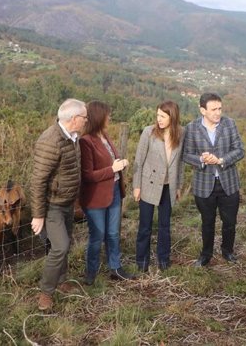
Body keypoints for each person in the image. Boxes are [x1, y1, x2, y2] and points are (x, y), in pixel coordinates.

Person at [30, 98, 87, 311]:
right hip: (52, 205)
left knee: (65, 243)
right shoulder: (51, 140)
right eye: (84, 117)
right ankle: (46, 292)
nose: (86, 120)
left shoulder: (73, 137)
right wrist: (38, 215)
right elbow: (37, 180)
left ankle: (62, 281)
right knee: (60, 246)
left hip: (67, 202)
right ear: (74, 119)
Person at [183, 92, 245, 266]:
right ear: (202, 110)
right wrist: (201, 159)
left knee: (230, 222)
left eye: (220, 108)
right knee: (207, 222)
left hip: (228, 183)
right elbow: (186, 155)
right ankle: (206, 255)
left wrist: (221, 160)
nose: (218, 113)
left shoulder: (229, 124)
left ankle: (228, 251)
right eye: (213, 109)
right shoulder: (191, 128)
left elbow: (240, 150)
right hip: (203, 185)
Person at [79, 101, 134, 284]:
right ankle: (91, 273)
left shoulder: (105, 136)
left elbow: (110, 162)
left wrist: (120, 163)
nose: (109, 118)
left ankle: (115, 268)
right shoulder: (85, 142)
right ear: (98, 117)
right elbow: (87, 175)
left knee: (113, 233)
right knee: (97, 235)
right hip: (96, 197)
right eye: (107, 115)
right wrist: (113, 169)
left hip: (114, 192)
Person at [133, 101, 185, 272]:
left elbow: (180, 163)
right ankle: (142, 262)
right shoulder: (149, 132)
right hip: (148, 184)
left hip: (168, 186)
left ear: (173, 116)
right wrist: (137, 186)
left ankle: (163, 260)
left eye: (163, 116)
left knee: (165, 226)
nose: (159, 119)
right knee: (145, 226)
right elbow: (139, 161)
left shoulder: (181, 133)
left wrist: (178, 186)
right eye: (157, 116)